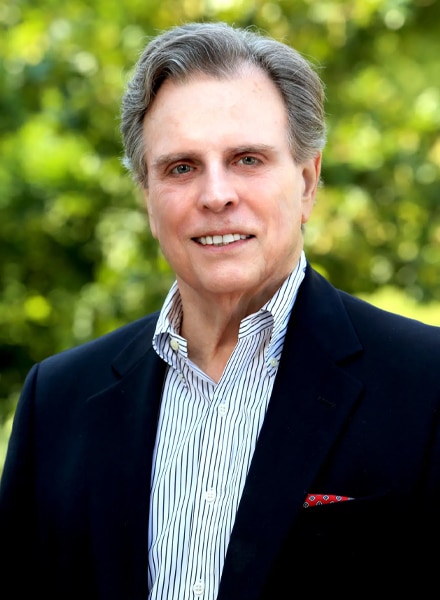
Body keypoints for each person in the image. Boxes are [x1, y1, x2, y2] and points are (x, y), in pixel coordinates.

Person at [1, 20, 439, 600]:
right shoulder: (56, 401)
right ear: (148, 199)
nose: (215, 195)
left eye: (247, 159)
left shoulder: (426, 383)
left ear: (308, 182)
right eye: (181, 167)